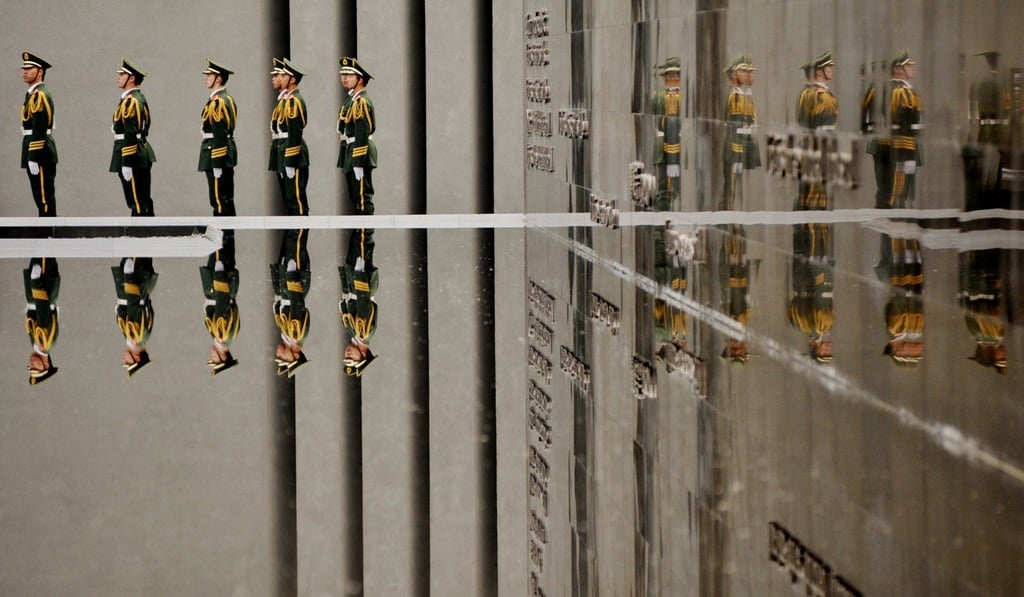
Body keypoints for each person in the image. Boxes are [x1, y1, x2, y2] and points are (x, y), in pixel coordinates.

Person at [110, 59, 156, 216]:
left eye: (122, 74)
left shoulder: (131, 101)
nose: (119, 77)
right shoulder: (135, 99)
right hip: (137, 151)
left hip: (132, 154)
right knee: (141, 199)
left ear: (131, 78)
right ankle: (144, 235)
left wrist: (127, 161)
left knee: (137, 201)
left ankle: (141, 236)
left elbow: (131, 131)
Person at [337, 57, 377, 215]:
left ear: (360, 79)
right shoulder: (351, 100)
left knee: (362, 198)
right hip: (351, 151)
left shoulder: (361, 102)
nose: (344, 78)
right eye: (343, 74)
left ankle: (364, 238)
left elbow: (362, 132)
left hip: (359, 152)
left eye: (349, 75)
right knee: (356, 197)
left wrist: (358, 161)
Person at [20, 52, 58, 217]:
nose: (25, 72)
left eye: (29, 69)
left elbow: (40, 127)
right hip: (35, 147)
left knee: (44, 195)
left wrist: (33, 155)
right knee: (40, 193)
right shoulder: (32, 94)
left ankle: (48, 230)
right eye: (24, 69)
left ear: (40, 71)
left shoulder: (40, 95)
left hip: (40, 149)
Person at [198, 59, 238, 216]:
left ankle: (223, 239)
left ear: (219, 79)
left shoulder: (218, 102)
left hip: (216, 153)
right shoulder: (224, 99)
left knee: (219, 201)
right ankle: (227, 240)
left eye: (210, 75)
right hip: (221, 152)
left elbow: (220, 132)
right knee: (225, 199)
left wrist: (217, 162)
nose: (206, 78)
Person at [271, 229, 311, 376]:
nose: (278, 355)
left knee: (290, 237)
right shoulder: (296, 334)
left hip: (286, 282)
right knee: (296, 236)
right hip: (293, 279)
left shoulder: (288, 333)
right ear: (295, 356)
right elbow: (297, 303)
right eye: (283, 358)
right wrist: (292, 276)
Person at [722, 55, 759, 210]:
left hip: (744, 143)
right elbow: (731, 124)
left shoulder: (745, 96)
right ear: (734, 74)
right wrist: (736, 151)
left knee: (739, 186)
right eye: (744, 71)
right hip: (735, 144)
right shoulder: (733, 96)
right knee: (731, 187)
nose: (749, 75)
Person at [201, 232, 241, 375]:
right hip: (219, 281)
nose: (210, 357)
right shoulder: (222, 335)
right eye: (215, 360)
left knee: (225, 236)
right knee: (220, 236)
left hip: (221, 282)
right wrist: (218, 274)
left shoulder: (227, 337)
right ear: (223, 356)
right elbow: (223, 303)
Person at [887, 51, 922, 208]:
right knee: (901, 190)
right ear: (898, 69)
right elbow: (903, 122)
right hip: (904, 144)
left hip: (909, 142)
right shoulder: (900, 91)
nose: (912, 69)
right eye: (909, 66)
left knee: (907, 188)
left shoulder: (907, 90)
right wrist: (908, 154)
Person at [273, 59, 309, 215]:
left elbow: (294, 132)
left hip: (292, 154)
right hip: (284, 151)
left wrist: (290, 160)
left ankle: (299, 235)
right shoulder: (285, 101)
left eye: (283, 76)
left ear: (292, 79)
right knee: (289, 199)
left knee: (297, 201)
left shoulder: (294, 101)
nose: (279, 79)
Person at [113, 256, 158, 378]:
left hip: (140, 282)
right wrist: (129, 276)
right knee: (137, 243)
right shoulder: (136, 336)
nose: (124, 359)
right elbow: (133, 305)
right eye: (128, 361)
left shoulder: (142, 337)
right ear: (136, 358)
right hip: (135, 280)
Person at [651, 57, 682, 209]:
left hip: (678, 145)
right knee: (663, 188)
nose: (674, 78)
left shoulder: (683, 97)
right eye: (670, 75)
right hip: (662, 146)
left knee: (676, 188)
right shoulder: (657, 97)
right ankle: (658, 229)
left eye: (677, 75)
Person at [24, 257, 60, 384]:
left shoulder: (37, 344)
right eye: (36, 368)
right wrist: (36, 282)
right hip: (43, 286)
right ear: (46, 364)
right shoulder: (45, 343)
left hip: (38, 290)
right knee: (43, 245)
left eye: (30, 367)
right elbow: (43, 310)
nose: (31, 364)